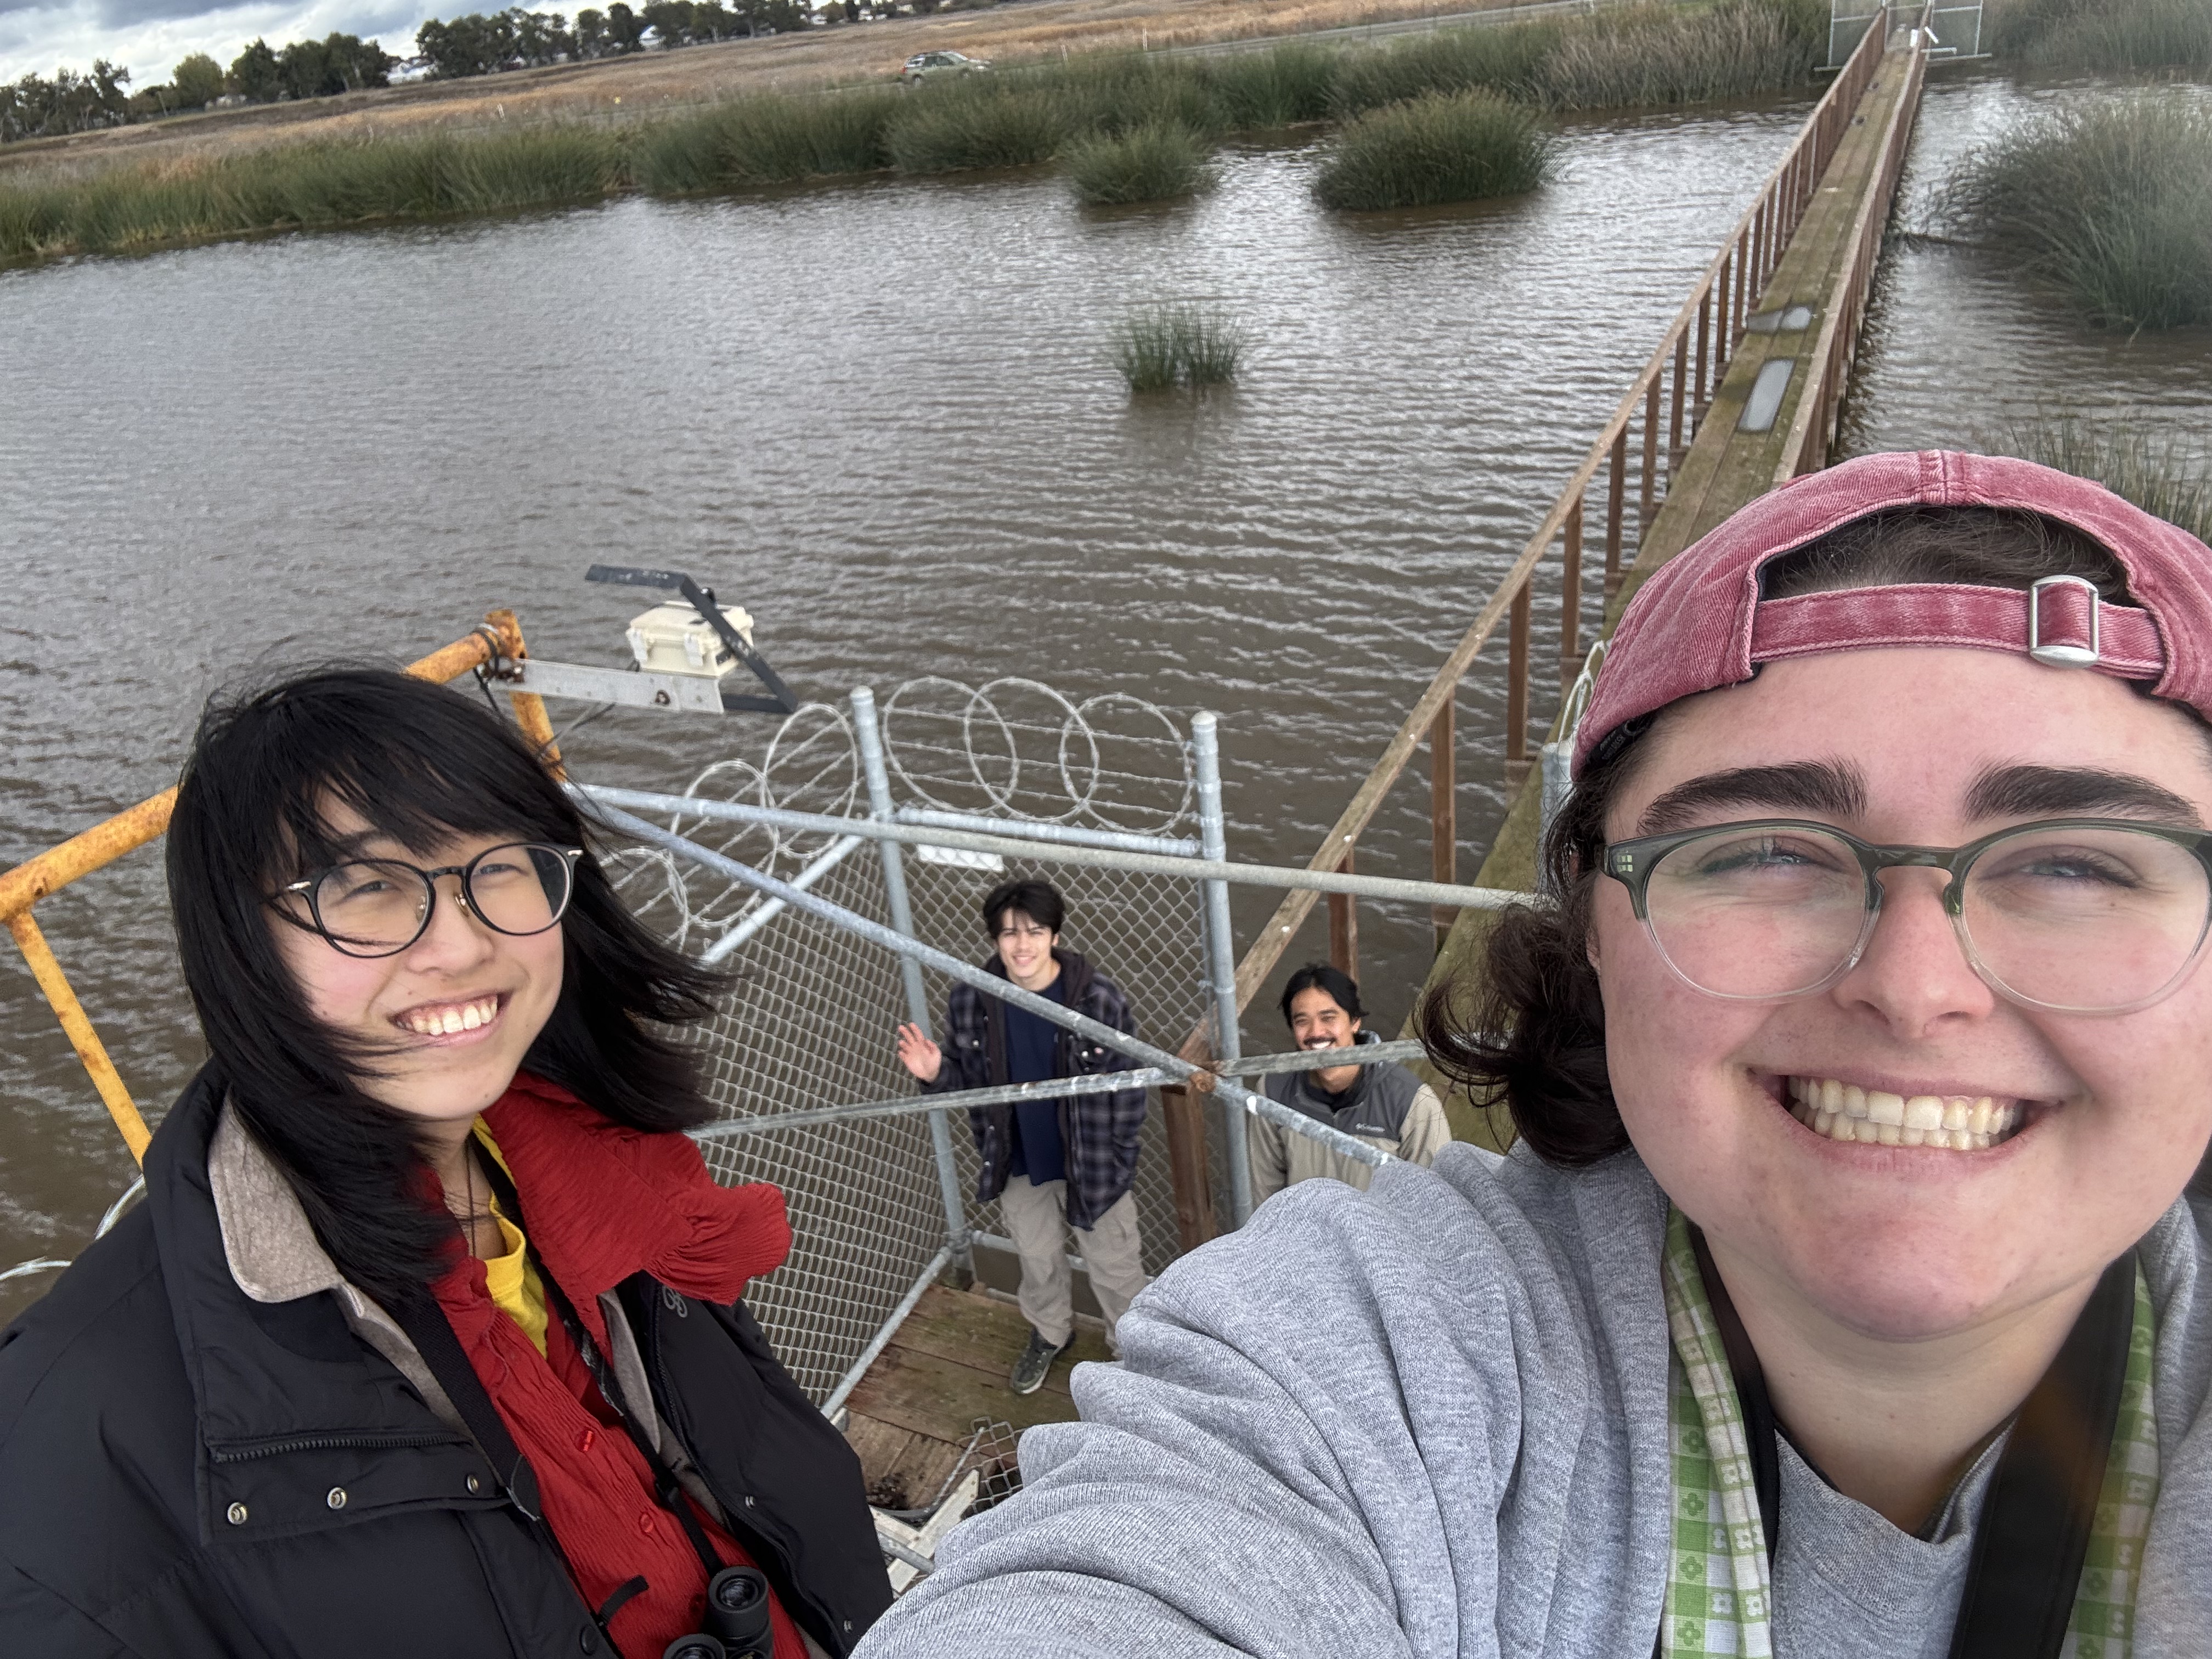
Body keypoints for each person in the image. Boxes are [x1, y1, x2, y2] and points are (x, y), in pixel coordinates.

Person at [851, 452, 2212, 1658]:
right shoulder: (1377, 1350)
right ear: (1597, 936)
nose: (1917, 988)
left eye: (2079, 865)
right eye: (1765, 852)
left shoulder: (1342, 1108)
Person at [0, 668, 889, 1659]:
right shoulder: (69, 1450)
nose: (461, 945)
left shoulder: (610, 1178)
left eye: (498, 865)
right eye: (370, 887)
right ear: (241, 945)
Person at [895, 879, 1148, 1396]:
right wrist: (936, 1073)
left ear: (1054, 935)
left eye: (1034, 931)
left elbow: (1130, 1085)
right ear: (994, 940)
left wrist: (1121, 1154)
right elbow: (969, 1083)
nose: (1022, 945)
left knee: (1117, 1268)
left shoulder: (1098, 1000)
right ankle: (1051, 1333)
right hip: (1019, 1161)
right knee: (1037, 1261)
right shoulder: (972, 998)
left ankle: (1135, 1354)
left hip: (1094, 1164)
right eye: (1009, 933)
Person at [1249, 962, 1451, 1203]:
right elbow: (1265, 1196)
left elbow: (1435, 1205)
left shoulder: (1413, 1102)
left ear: (1355, 1021)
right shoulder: (1272, 1092)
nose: (1316, 1032)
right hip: (1304, 1239)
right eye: (1302, 1021)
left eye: (1328, 1017)